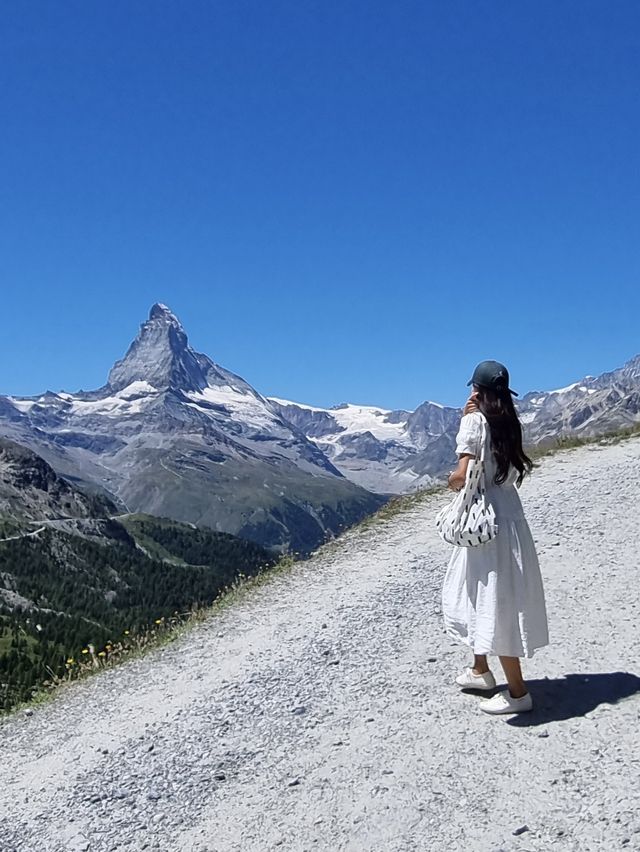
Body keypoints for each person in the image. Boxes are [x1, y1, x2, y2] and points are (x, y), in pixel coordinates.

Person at [442, 360, 549, 714]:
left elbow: (462, 475)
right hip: (509, 515)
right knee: (483, 593)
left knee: (491, 600)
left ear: (477, 390)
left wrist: (451, 480)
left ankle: (518, 693)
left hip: (482, 520)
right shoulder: (509, 422)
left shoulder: (473, 422)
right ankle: (480, 669)